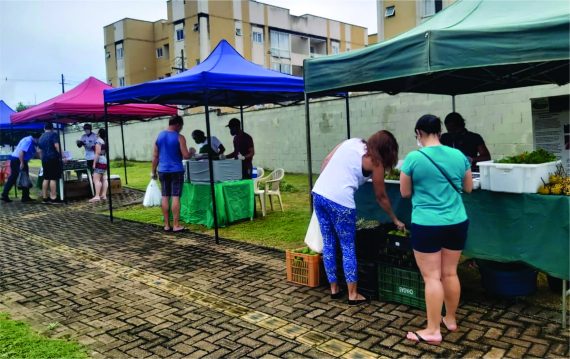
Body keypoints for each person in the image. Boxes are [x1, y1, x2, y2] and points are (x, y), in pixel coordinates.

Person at [399, 114, 473, 345]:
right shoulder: (458, 155)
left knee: (432, 277)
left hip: (427, 223)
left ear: (419, 133)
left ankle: (432, 330)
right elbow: (468, 188)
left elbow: (405, 193)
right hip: (457, 221)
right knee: (450, 272)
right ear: (439, 132)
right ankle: (449, 319)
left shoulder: (413, 158)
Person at [312, 131, 405, 305]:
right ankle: (352, 294)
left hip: (319, 194)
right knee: (347, 247)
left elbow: (326, 161)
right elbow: (381, 196)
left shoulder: (351, 142)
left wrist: (329, 183)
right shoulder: (377, 163)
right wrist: (395, 219)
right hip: (341, 203)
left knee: (329, 242)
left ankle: (334, 289)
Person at [152, 115, 191, 232]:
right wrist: (192, 152)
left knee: (165, 196)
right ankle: (176, 225)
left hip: (162, 170)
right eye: (181, 126)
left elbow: (155, 156)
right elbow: (186, 155)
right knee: (175, 197)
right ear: (178, 124)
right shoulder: (180, 137)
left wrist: (153, 171)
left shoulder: (159, 136)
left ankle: (166, 225)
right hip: (176, 170)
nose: (181, 128)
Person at [0, 133, 41, 203]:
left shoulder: (29, 140)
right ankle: (25, 197)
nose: (39, 141)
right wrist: (21, 162)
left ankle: (5, 194)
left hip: (16, 159)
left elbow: (34, 153)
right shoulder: (28, 141)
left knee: (15, 177)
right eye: (39, 140)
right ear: (36, 138)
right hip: (18, 160)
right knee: (24, 177)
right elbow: (21, 152)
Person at [38, 122, 63, 204]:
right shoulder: (54, 134)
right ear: (52, 128)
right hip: (53, 158)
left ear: (44, 128)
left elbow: (39, 150)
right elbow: (56, 146)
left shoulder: (41, 136)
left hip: (44, 159)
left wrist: (42, 158)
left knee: (46, 178)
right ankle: (53, 197)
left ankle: (45, 198)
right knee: (53, 178)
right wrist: (62, 156)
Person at [89, 129, 109, 203]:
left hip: (100, 160)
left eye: (97, 133)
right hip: (104, 160)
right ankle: (103, 195)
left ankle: (97, 196)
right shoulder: (104, 141)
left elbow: (97, 153)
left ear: (99, 134)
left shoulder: (98, 141)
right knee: (104, 178)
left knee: (96, 179)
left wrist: (94, 163)